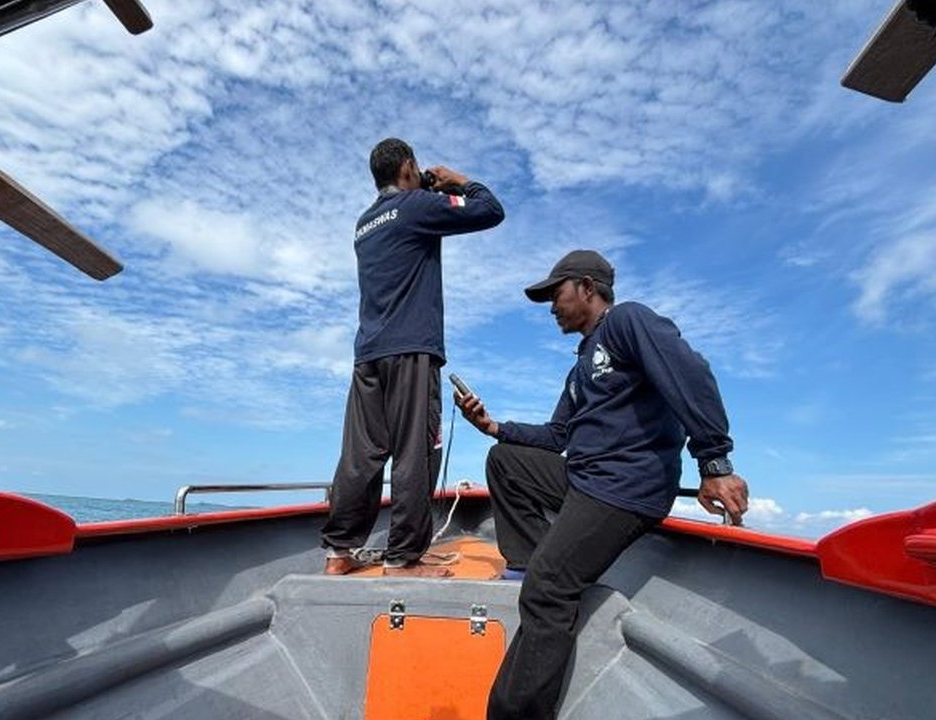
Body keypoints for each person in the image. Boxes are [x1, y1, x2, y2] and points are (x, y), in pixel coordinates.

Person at [454, 249, 749, 719]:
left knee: (548, 588)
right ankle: (534, 558)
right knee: (505, 460)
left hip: (625, 488)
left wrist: (714, 462)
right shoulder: (581, 366)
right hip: (585, 478)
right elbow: (556, 437)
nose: (552, 306)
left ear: (587, 288)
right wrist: (492, 426)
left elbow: (692, 373)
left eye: (557, 293)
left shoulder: (627, 322)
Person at [321, 138, 505, 578]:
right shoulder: (416, 206)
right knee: (414, 451)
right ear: (407, 166)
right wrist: (455, 181)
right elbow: (489, 209)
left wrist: (426, 188)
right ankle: (402, 560)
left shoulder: (364, 224)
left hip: (367, 355)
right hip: (411, 351)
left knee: (360, 456)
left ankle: (339, 552)